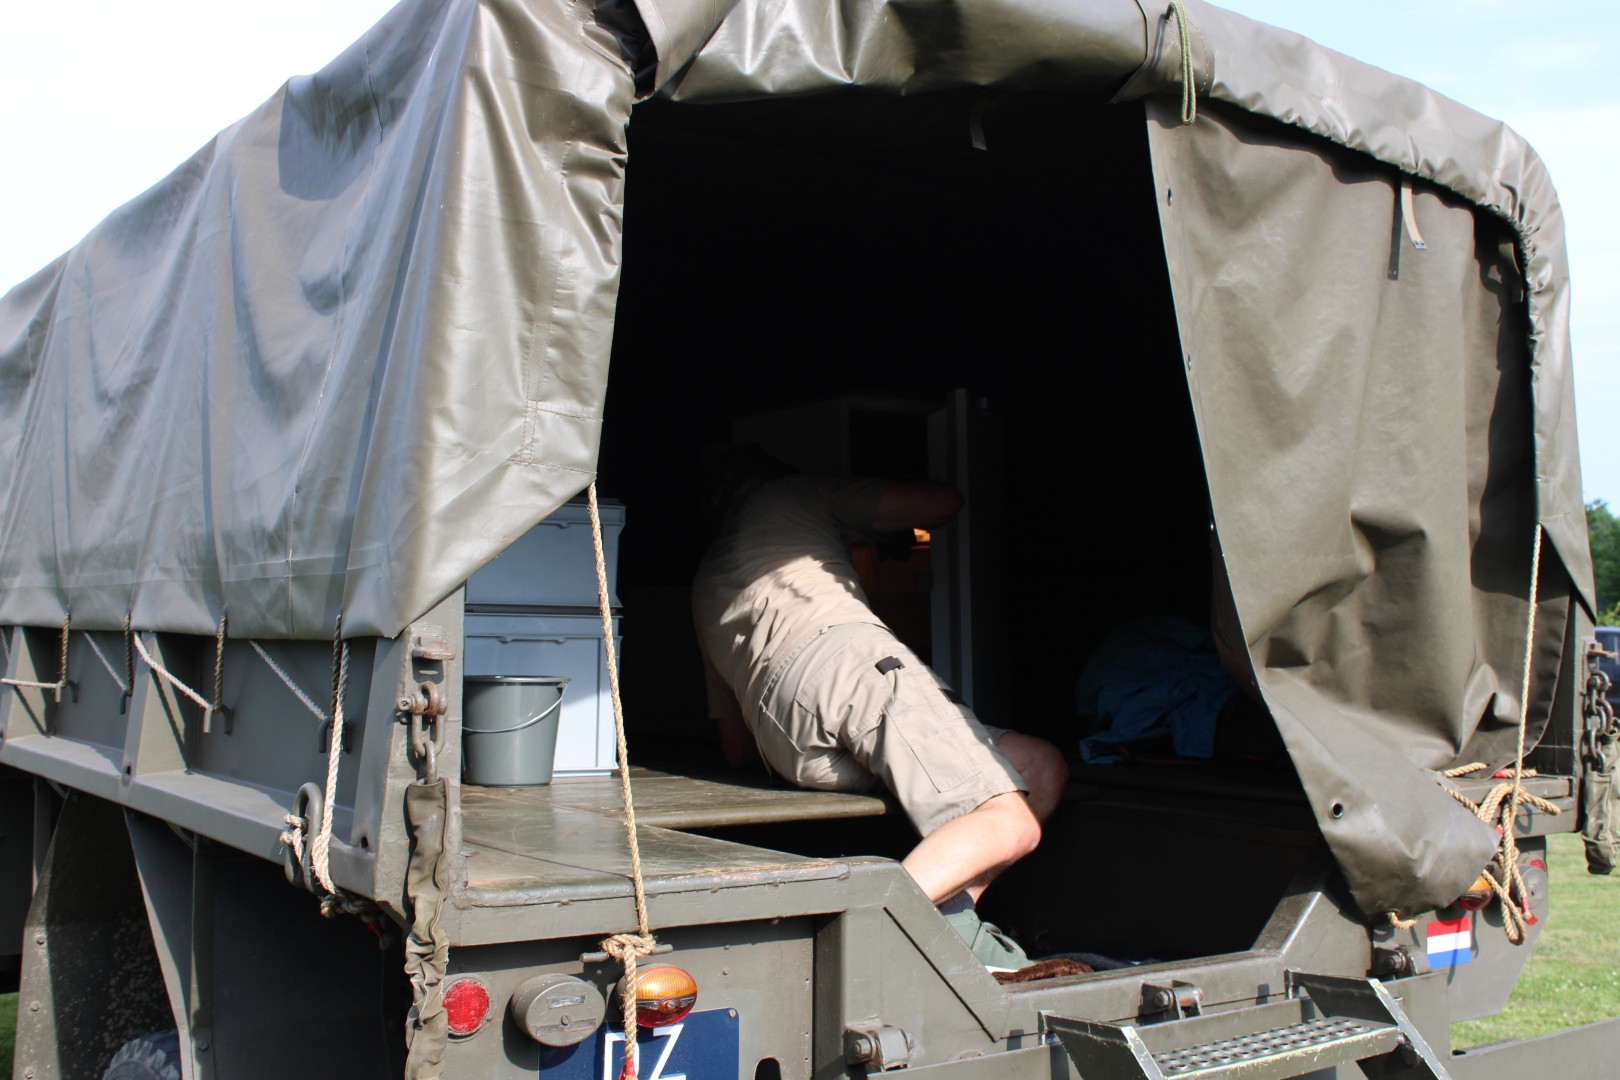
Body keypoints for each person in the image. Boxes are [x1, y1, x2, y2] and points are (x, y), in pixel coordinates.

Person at [692, 447, 1068, 971]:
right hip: (842, 661)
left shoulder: (706, 582)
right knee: (1011, 822)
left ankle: (950, 925)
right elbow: (944, 503)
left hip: (790, 744)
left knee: (1037, 765)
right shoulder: (793, 493)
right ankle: (872, 947)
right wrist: (852, 508)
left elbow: (735, 748)